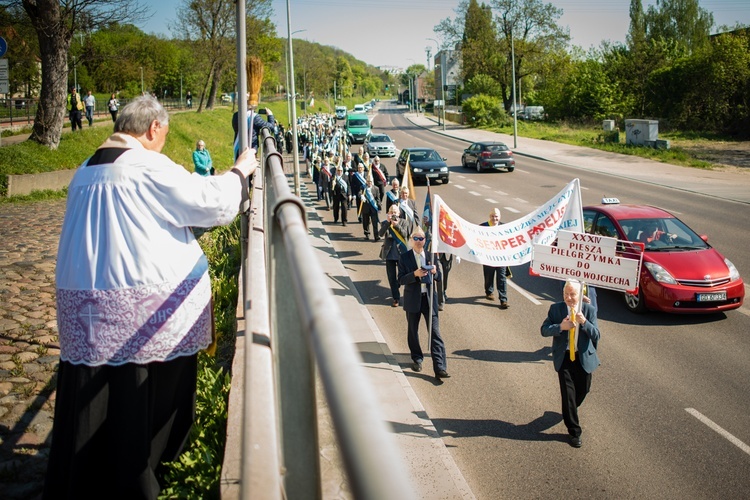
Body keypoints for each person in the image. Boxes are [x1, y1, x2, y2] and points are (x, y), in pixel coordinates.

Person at [44, 95, 257, 498]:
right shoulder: (145, 165)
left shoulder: (85, 168)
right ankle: (146, 480)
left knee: (96, 406)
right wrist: (239, 172)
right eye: (164, 134)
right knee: (139, 409)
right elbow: (210, 204)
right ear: (153, 129)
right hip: (144, 315)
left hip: (85, 305)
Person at [541, 280, 600, 448]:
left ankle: (570, 409)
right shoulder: (556, 309)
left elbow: (597, 335)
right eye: (566, 294)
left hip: (582, 357)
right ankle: (574, 431)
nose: (569, 297)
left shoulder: (589, 310)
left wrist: (584, 323)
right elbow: (544, 330)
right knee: (568, 394)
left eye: (573, 294)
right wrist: (560, 326)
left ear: (580, 295)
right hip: (565, 356)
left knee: (583, 389)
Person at [398, 227, 449, 380]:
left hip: (429, 299)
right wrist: (414, 274)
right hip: (412, 299)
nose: (419, 241)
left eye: (421, 239)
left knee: (435, 332)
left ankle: (440, 367)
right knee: (413, 331)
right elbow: (400, 280)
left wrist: (435, 273)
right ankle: (417, 358)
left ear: (425, 241)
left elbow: (439, 277)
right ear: (411, 240)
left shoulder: (431, 256)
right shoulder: (405, 257)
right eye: (416, 238)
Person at [380, 204, 410, 307]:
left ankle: (397, 284)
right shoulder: (385, 223)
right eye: (391, 212)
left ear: (399, 213)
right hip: (389, 254)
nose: (393, 214)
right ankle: (396, 298)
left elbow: (405, 235)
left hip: (401, 253)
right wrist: (388, 223)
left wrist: (396, 225)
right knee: (391, 277)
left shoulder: (404, 222)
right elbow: (380, 233)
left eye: (395, 212)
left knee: (402, 275)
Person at [481, 208, 510, 309]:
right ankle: (489, 292)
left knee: (501, 278)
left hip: (501, 258)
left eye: (496, 216)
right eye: (493, 216)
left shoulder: (504, 227)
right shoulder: (483, 226)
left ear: (499, 217)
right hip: (488, 257)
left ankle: (503, 299)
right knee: (489, 275)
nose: (494, 218)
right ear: (490, 217)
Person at [361, 175, 381, 241]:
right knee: (366, 222)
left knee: (375, 223)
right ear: (366, 182)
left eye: (370, 182)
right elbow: (359, 193)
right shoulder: (363, 188)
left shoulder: (376, 188)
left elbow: (378, 198)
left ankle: (376, 236)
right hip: (366, 208)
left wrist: (379, 206)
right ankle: (367, 234)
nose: (369, 183)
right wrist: (361, 196)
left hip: (373, 208)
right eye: (368, 182)